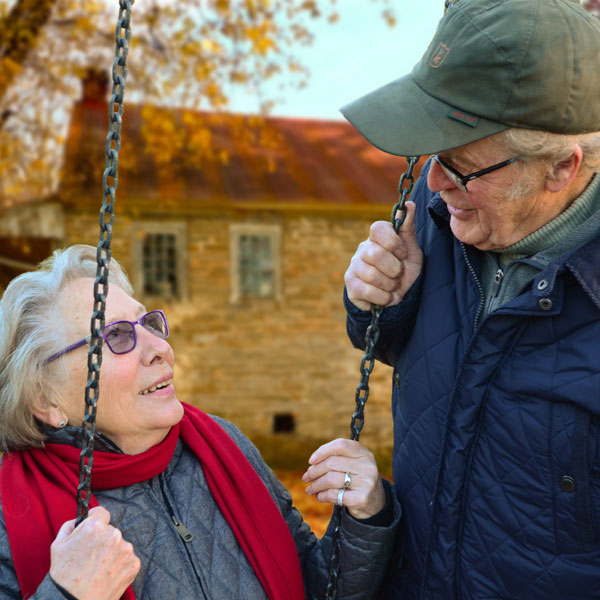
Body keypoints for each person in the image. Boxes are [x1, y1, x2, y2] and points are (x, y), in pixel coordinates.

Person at [341, 0, 600, 598]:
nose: (435, 182)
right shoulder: (439, 219)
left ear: (561, 167)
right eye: (435, 157)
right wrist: (379, 301)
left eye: (461, 166)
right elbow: (403, 348)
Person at [0, 244, 401, 600]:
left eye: (149, 325)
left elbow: (313, 587)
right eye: (118, 336)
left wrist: (364, 518)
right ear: (45, 399)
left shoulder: (222, 446)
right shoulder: (8, 513)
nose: (160, 348)